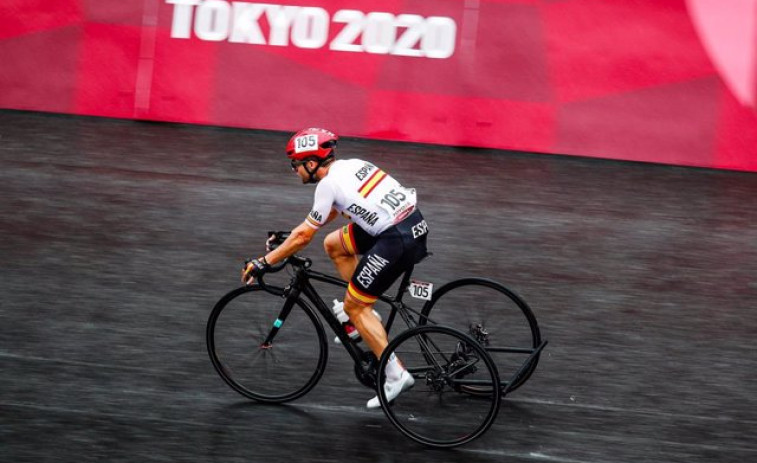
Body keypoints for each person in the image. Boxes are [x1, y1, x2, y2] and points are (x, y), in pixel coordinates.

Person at [242, 127, 429, 409]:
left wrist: (265, 261)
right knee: (334, 244)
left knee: (354, 305)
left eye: (296, 165)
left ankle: (395, 373)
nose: (294, 171)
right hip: (410, 223)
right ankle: (365, 315)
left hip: (396, 238)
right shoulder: (351, 166)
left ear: (312, 163)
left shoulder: (326, 184)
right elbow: (324, 215)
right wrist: (292, 234)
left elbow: (304, 236)